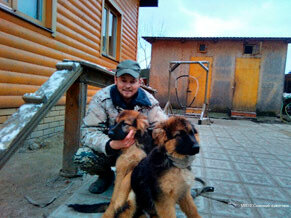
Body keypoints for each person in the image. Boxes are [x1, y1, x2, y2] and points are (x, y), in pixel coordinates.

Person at [74, 60, 167, 194]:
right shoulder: (101, 99)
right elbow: (88, 131)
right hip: (111, 149)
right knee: (83, 156)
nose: (128, 86)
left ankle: (144, 177)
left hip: (139, 150)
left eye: (132, 81)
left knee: (164, 149)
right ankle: (106, 176)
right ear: (115, 79)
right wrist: (111, 144)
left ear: (140, 82)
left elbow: (163, 128)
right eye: (123, 80)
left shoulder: (149, 102)